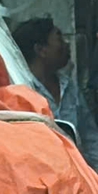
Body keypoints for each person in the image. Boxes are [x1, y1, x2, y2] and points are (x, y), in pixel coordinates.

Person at [13, 16, 98, 169]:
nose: (66, 45)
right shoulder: (20, 91)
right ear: (41, 50)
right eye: (59, 39)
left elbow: (90, 138)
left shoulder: (69, 87)